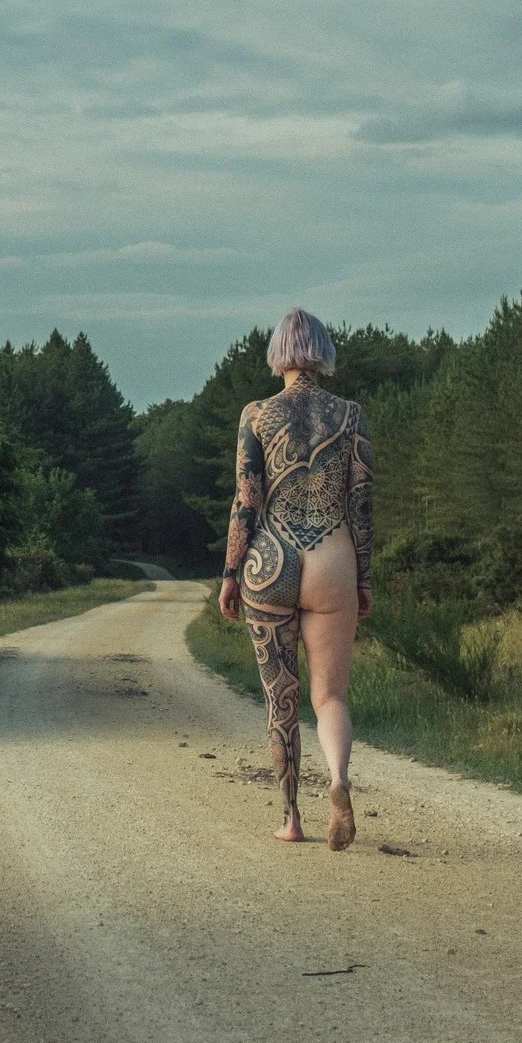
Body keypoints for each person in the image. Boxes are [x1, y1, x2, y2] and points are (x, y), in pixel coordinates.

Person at [219, 309, 373, 849]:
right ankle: (338, 781)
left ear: (279, 353)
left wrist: (231, 573)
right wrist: (365, 580)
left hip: (272, 557)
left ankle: (291, 818)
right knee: (329, 696)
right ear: (323, 352)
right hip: (332, 557)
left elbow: (246, 500)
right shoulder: (350, 414)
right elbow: (360, 506)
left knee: (280, 698)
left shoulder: (257, 414)